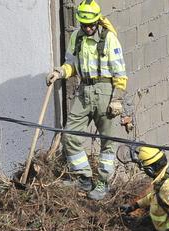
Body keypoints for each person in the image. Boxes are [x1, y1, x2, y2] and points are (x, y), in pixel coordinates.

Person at [47, 0, 127, 201]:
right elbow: (71, 64)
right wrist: (59, 72)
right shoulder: (77, 37)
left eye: (91, 24)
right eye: (85, 25)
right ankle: (84, 177)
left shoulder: (109, 39)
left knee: (107, 141)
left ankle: (103, 182)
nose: (89, 28)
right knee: (70, 135)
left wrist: (116, 99)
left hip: (105, 91)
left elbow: (120, 72)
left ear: (97, 21)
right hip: (84, 90)